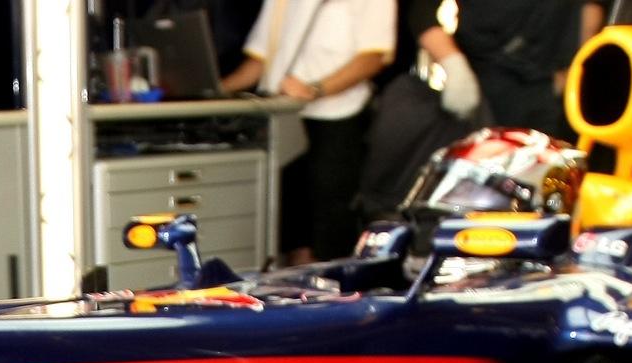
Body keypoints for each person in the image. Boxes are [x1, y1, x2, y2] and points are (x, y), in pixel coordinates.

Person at [220, 0, 396, 263]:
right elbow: (258, 61)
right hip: (281, 118)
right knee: (287, 229)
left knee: (327, 229)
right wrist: (213, 90)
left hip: (336, 119)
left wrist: (315, 90)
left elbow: (372, 58)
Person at [409, 0, 585, 140]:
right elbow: (421, 11)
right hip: (485, 79)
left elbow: (591, 8)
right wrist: (453, 63)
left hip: (553, 83)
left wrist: (575, 69)